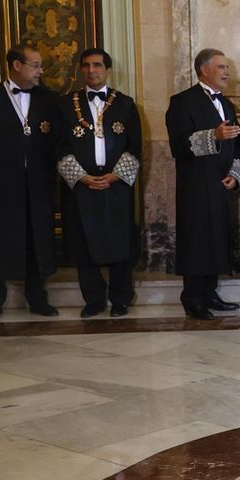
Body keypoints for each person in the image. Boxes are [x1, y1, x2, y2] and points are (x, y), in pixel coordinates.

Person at [0, 43, 61, 321]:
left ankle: (37, 298)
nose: (40, 71)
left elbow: (55, 140)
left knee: (37, 237)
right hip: (1, 184)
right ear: (17, 66)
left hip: (39, 182)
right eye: (36, 65)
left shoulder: (49, 99)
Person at [56, 48, 142, 318]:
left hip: (116, 182)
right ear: (80, 70)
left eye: (97, 65)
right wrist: (81, 176)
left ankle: (120, 298)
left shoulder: (126, 104)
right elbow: (58, 146)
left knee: (120, 241)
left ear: (107, 69)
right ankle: (93, 299)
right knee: (84, 241)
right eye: (86, 65)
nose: (91, 70)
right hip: (82, 182)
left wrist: (116, 175)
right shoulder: (65, 104)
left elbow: (135, 146)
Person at [165, 48, 240, 320]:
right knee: (197, 239)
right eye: (221, 67)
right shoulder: (182, 102)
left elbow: (236, 147)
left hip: (221, 184)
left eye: (226, 67)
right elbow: (179, 144)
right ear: (204, 70)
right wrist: (214, 135)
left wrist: (235, 174)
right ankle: (192, 298)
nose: (227, 72)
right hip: (196, 185)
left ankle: (210, 294)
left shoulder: (228, 104)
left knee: (216, 238)